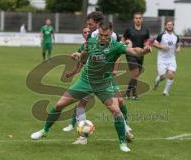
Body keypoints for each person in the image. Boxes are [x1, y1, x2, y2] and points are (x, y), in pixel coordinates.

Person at [30, 20, 151, 152]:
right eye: (101, 35)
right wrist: (79, 57)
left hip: (103, 84)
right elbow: (84, 55)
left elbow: (134, 51)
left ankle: (122, 143)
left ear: (111, 33)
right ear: (98, 32)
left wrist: (144, 51)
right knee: (59, 105)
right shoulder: (91, 42)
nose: (103, 38)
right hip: (85, 81)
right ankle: (44, 130)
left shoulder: (116, 46)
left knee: (116, 112)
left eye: (106, 35)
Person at [62, 12, 133, 145]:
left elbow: (118, 53)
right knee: (81, 104)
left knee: (119, 101)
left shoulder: (112, 36)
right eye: (87, 25)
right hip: (90, 77)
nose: (88, 27)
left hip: (106, 77)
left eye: (90, 24)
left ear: (97, 23)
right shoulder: (90, 37)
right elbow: (83, 58)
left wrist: (115, 69)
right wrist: (73, 70)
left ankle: (126, 129)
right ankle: (82, 137)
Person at [122, 12, 150, 100]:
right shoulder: (129, 30)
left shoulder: (145, 30)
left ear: (142, 19)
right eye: (136, 18)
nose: (138, 20)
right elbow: (123, 39)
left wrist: (147, 46)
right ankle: (134, 94)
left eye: (140, 18)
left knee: (136, 75)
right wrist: (124, 44)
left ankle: (127, 92)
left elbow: (146, 41)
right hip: (130, 54)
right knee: (136, 72)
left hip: (140, 54)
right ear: (134, 19)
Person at [153, 20, 181, 96]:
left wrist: (178, 48)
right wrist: (162, 47)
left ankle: (165, 91)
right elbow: (154, 44)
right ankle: (157, 81)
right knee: (162, 76)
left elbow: (178, 44)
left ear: (173, 26)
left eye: (171, 25)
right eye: (168, 24)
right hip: (162, 59)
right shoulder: (161, 35)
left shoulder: (176, 36)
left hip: (171, 58)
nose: (169, 26)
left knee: (171, 74)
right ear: (165, 26)